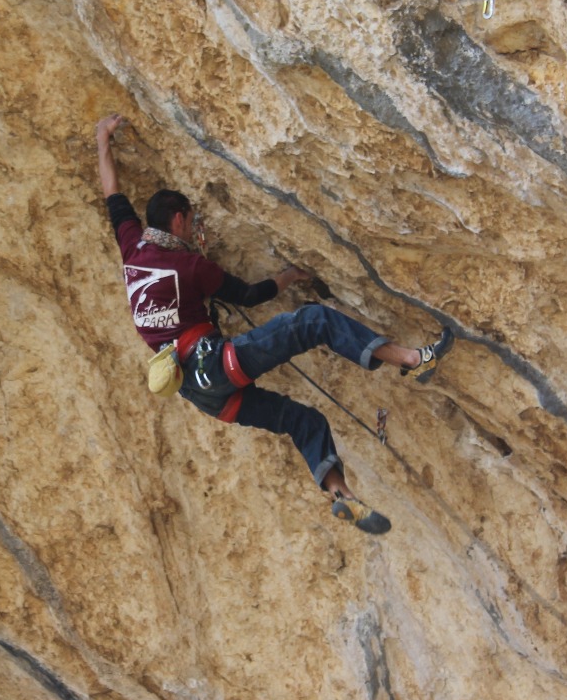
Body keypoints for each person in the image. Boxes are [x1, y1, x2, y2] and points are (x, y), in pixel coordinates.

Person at [95, 114, 453, 535]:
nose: (194, 230)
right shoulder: (189, 265)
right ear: (177, 220)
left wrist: (103, 138)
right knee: (313, 321)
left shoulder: (131, 247)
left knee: (304, 421)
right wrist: (290, 276)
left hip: (198, 393)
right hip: (213, 364)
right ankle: (414, 359)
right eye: (192, 222)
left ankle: (344, 497)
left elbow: (111, 191)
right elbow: (250, 295)